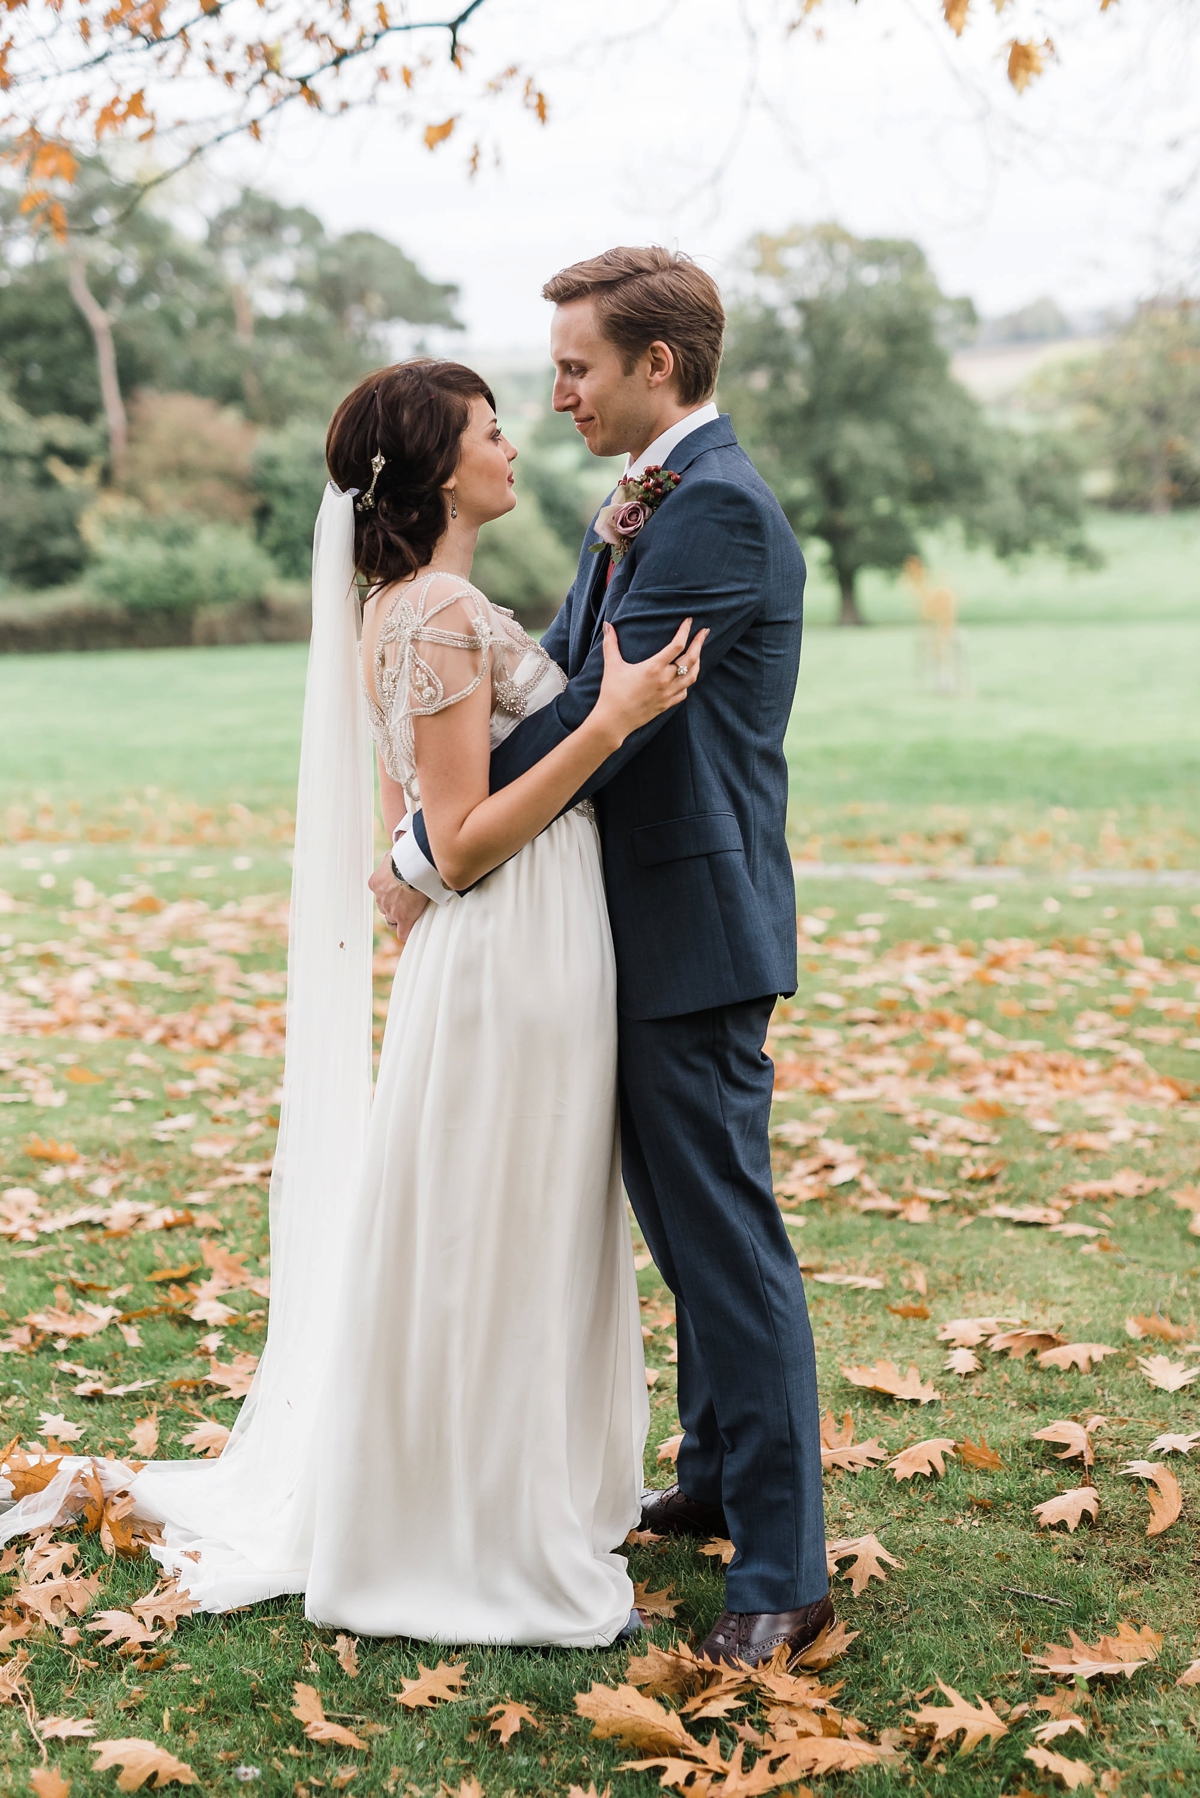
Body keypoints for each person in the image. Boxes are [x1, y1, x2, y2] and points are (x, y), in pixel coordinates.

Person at [0, 358, 705, 1649]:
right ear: (443, 464)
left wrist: (416, 857)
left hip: (516, 945)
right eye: (492, 428)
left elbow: (406, 834)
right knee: (504, 1220)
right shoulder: (434, 610)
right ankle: (477, 1519)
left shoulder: (409, 604)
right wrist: (612, 718)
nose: (512, 443)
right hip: (512, 948)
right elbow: (463, 832)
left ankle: (507, 1481)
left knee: (511, 1215)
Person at [376, 247, 832, 1668]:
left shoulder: (718, 518)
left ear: (658, 366)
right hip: (624, 928)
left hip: (690, 930)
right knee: (680, 1225)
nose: (557, 390)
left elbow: (592, 717)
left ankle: (784, 1563)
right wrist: (442, 825)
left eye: (577, 366)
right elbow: (579, 685)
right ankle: (710, 1474)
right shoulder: (653, 503)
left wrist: (426, 847)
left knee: (724, 1236)